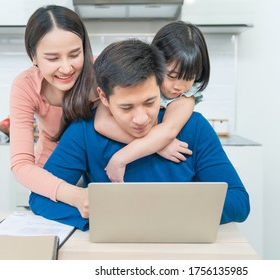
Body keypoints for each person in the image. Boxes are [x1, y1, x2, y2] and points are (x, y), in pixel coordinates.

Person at [29, 39, 250, 231]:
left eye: (150, 102)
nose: (141, 118)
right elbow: (40, 199)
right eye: (126, 107)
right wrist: (96, 215)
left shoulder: (194, 128)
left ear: (160, 87)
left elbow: (238, 202)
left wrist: (161, 215)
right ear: (103, 98)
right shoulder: (83, 132)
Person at [93, 21, 210, 182]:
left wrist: (121, 158)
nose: (179, 86)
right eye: (172, 76)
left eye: (189, 78)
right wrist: (159, 146)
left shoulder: (185, 98)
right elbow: (101, 123)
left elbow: (168, 132)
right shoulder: (129, 86)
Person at [9, 5, 98, 212]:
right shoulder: (25, 85)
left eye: (75, 54)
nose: (66, 68)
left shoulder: (101, 73)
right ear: (33, 56)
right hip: (52, 175)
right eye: (53, 58)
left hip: (98, 172)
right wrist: (73, 195)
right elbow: (21, 164)